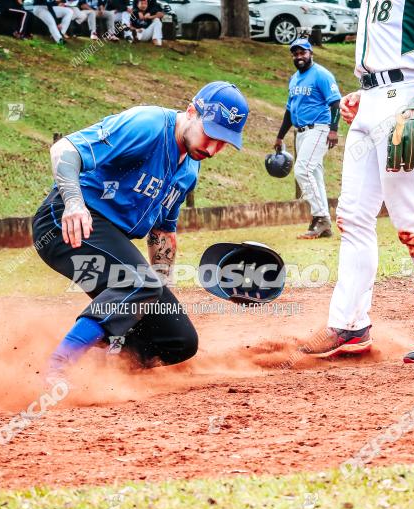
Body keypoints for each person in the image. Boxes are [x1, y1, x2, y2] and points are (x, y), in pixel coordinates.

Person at [32, 82, 249, 385]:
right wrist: (73, 203)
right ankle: (58, 365)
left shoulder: (189, 169)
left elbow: (162, 232)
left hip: (109, 238)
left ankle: (107, 368)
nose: (213, 149)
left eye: (223, 142)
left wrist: (159, 292)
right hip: (65, 222)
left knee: (178, 340)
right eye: (210, 134)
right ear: (191, 112)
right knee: (138, 281)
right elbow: (64, 149)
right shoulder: (147, 125)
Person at [306, 0, 414, 362]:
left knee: (410, 218)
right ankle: (349, 324)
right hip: (372, 98)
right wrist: (368, 92)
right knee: (351, 217)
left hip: (412, 93)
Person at [274, 38, 341, 240]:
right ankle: (324, 224)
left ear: (311, 53)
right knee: (315, 175)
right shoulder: (294, 79)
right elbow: (289, 110)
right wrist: (279, 136)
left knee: (302, 170)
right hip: (301, 132)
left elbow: (336, 103)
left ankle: (320, 217)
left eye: (302, 52)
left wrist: (334, 130)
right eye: (295, 53)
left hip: (319, 128)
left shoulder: (321, 74)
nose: (299, 56)